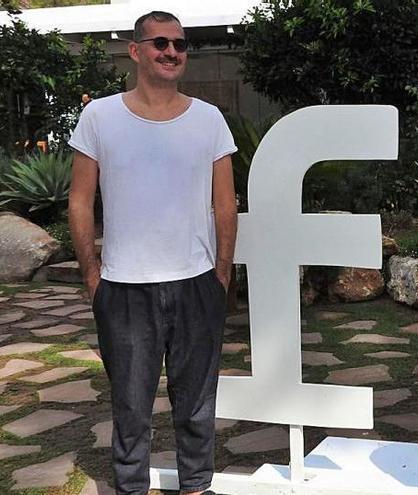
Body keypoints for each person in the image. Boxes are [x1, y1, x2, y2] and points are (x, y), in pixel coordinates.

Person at [68, 11, 237, 495]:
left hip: (197, 283)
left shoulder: (208, 118)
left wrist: (221, 274)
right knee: (130, 407)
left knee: (198, 407)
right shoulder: (100, 115)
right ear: (136, 50)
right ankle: (130, 488)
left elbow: (224, 202)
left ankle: (196, 486)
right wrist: (92, 274)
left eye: (180, 45)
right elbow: (80, 199)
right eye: (160, 43)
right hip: (123, 288)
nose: (171, 52)